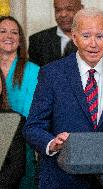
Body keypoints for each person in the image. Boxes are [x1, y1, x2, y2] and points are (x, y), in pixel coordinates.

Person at [23, 7, 103, 189]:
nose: (93, 44)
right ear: (74, 38)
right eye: (86, 35)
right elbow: (33, 127)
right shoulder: (52, 74)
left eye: (99, 36)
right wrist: (53, 143)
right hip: (62, 177)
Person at [0, 16, 40, 189]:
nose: (9, 35)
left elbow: (33, 113)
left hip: (21, 146)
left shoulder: (33, 70)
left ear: (20, 39)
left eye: (14, 32)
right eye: (2, 31)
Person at [28, 0, 103, 67]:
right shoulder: (38, 40)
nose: (63, 14)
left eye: (69, 9)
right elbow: (33, 80)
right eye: (58, 10)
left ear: (81, 9)